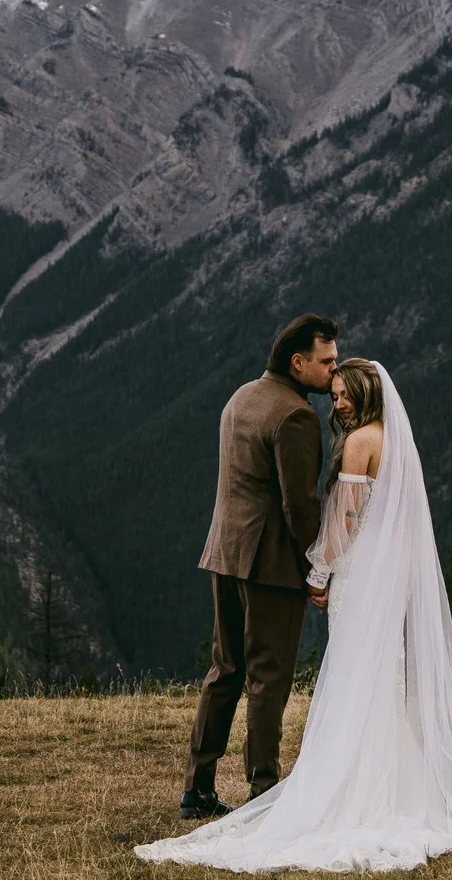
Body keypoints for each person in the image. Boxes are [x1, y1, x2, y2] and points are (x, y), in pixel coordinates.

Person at [139, 356, 452, 871]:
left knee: (357, 670)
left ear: (363, 391)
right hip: (380, 571)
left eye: (342, 394)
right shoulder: (391, 439)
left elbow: (348, 515)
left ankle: (351, 782)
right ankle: (389, 780)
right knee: (379, 675)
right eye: (333, 395)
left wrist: (318, 572)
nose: (336, 404)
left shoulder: (359, 442)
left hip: (356, 574)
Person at [176, 313, 338, 820]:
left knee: (225, 669)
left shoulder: (241, 397)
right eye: (327, 361)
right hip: (269, 565)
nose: (335, 372)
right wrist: (320, 567)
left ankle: (197, 788)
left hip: (225, 553)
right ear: (298, 362)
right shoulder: (296, 416)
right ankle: (263, 790)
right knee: (269, 677)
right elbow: (300, 507)